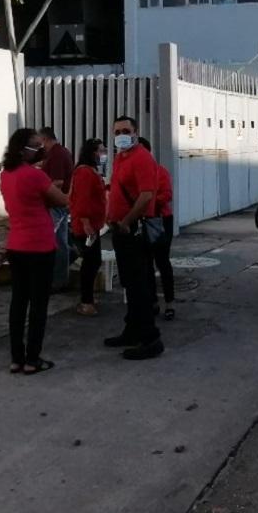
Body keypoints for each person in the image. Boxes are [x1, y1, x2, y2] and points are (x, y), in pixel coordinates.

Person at [1, 129, 69, 374]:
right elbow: (61, 200)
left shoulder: (6, 175)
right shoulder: (36, 176)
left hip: (16, 244)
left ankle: (16, 358)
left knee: (18, 302)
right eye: (35, 145)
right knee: (38, 304)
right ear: (22, 148)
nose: (40, 149)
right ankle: (33, 359)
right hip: (39, 244)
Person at [104, 115, 164, 360]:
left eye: (125, 130)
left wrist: (127, 220)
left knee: (139, 286)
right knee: (129, 283)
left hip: (134, 230)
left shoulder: (141, 158)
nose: (121, 135)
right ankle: (132, 330)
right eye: (117, 131)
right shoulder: (120, 158)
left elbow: (147, 195)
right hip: (120, 229)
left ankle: (150, 338)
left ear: (136, 132)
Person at [138, 137, 176, 320]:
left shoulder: (160, 172)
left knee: (162, 262)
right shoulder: (133, 172)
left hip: (160, 220)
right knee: (146, 264)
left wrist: (147, 203)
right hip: (142, 221)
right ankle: (152, 301)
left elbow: (167, 195)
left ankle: (169, 303)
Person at [69, 138, 107, 316]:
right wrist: (85, 222)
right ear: (92, 153)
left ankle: (88, 297)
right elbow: (82, 199)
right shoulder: (84, 172)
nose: (104, 154)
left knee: (93, 261)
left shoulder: (91, 171)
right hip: (87, 226)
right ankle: (86, 301)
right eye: (101, 150)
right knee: (90, 262)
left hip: (93, 224)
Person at [38, 127, 74, 291]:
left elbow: (58, 181)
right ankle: (59, 276)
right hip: (56, 203)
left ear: (45, 139)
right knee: (59, 240)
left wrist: (40, 192)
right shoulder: (56, 153)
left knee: (58, 242)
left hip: (57, 204)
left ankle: (59, 280)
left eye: (41, 142)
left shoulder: (57, 154)